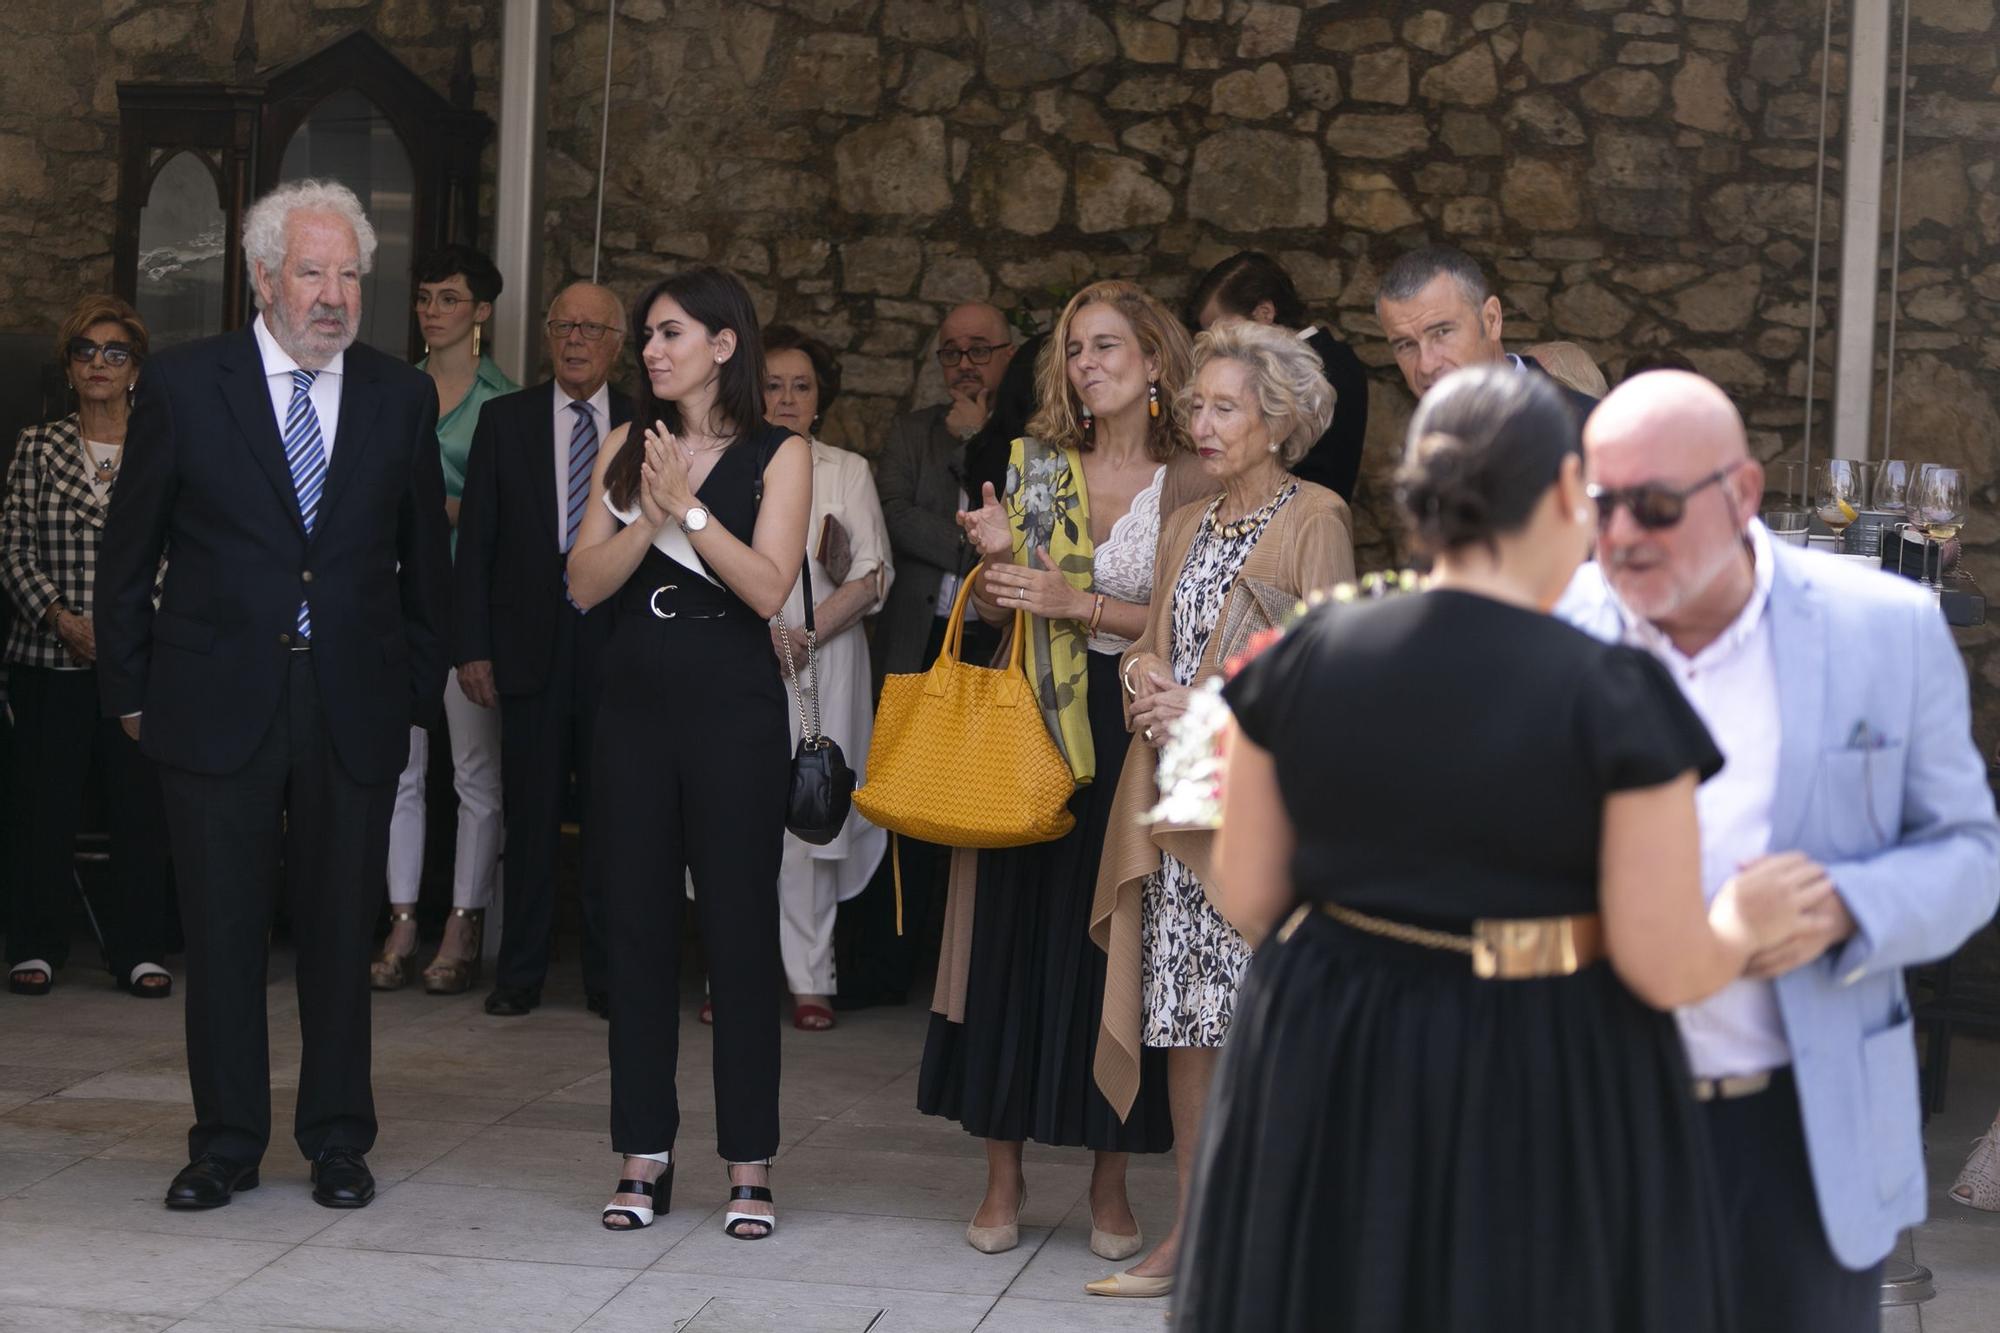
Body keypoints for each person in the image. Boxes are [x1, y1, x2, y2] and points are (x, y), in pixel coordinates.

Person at [1173, 364, 1820, 1330]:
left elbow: (1254, 894)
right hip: (1537, 1056)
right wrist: (1746, 918)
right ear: (1568, 494)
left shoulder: (1307, 654)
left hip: (1327, 1046)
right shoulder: (1614, 695)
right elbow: (1665, 960)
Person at [1559, 370, 2000, 1333]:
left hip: (1808, 1123)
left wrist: (1845, 906)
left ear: (1743, 494)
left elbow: (1969, 854)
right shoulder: (1558, 629)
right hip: (1597, 1112)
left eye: (1659, 504)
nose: (1624, 532)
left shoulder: (1886, 628)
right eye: (1602, 503)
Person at [95, 179, 451, 1211]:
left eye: (348, 274)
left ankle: (338, 1138)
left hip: (351, 703)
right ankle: (226, 1143)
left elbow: (424, 562)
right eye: (311, 272)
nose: (334, 294)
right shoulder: (185, 385)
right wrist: (129, 692)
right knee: (221, 929)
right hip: (211, 701)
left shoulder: (398, 395)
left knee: (343, 932)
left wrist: (412, 687)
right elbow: (130, 558)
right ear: (262, 277)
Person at [919, 279, 1216, 1262]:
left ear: (1155, 361)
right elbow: (1008, 615)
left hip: (1132, 729)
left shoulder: (1195, 476)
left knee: (1112, 953)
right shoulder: (1037, 469)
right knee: (1009, 939)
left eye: (1105, 347)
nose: (1086, 364)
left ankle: (1108, 1184)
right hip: (1036, 725)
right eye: (1073, 350)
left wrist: (1073, 601)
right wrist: (1002, 570)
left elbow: (1198, 621)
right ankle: (999, 1180)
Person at [1084, 318, 1355, 1299]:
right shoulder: (1183, 524)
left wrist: (1200, 704)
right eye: (1194, 403)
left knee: (1262, 1034)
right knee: (1187, 1034)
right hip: (1178, 808)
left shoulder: (1312, 516)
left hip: (1259, 819)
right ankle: (1189, 1241)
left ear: (1277, 418)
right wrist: (1146, 684)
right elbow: (1142, 650)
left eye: (1223, 407)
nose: (1199, 421)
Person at [567, 266, 810, 1239]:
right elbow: (583, 580)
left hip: (731, 706)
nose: (652, 349)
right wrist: (651, 514)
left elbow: (767, 588)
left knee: (741, 933)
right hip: (631, 702)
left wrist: (693, 511)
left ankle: (748, 1162)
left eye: (670, 333)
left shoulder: (779, 453)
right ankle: (643, 1153)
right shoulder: (626, 444)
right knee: (633, 930)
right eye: (649, 335)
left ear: (722, 344)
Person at [453, 282, 629, 1018]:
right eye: (564, 325)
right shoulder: (506, 420)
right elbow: (477, 547)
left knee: (615, 817)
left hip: (619, 646)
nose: (576, 339)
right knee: (528, 814)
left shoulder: (647, 426)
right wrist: (472, 647)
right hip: (526, 642)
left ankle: (608, 977)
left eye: (592, 327)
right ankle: (518, 973)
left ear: (619, 341)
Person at [841, 302, 1014, 1013]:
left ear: (1007, 355)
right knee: (904, 807)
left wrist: (978, 446)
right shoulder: (912, 431)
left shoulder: (1023, 434)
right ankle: (889, 966)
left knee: (980, 809)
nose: (964, 363)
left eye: (979, 349)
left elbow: (1017, 516)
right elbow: (891, 512)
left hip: (994, 642)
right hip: (918, 642)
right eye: (951, 351)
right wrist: (969, 537)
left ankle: (971, 974)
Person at [1, 294, 171, 998]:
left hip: (138, 666)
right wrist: (61, 616)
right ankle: (37, 946)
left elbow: (181, 550)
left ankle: (137, 949)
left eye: (115, 352)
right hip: (50, 658)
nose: (98, 363)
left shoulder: (163, 447)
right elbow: (11, 549)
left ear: (135, 368)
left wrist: (127, 629)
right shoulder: (37, 446)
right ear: (68, 368)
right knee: (44, 808)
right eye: (84, 351)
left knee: (139, 809)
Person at [372, 244, 518, 995]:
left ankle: (464, 919)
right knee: (401, 765)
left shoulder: (503, 398)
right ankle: (401, 919)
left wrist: (448, 511)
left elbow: (507, 513)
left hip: (465, 599)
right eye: (425, 296)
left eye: (450, 297)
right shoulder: (393, 388)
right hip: (394, 596)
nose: (433, 310)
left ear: (482, 310)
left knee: (473, 769)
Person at [760, 323, 893, 1031]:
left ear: (820, 399)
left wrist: (807, 637)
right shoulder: (728, 461)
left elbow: (872, 574)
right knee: (738, 813)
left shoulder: (846, 469)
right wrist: (762, 636)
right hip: (741, 660)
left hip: (824, 660)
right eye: (772, 384)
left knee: (811, 812)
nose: (785, 398)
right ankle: (736, 970)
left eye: (800, 386)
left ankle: (812, 976)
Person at [1188, 250, 1371, 504]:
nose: (1218, 343)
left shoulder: (1322, 367)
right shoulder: (1332, 357)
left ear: (1264, 313)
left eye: (1224, 329)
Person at [1374, 244, 1600, 415]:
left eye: (1442, 332)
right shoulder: (1420, 454)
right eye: (1406, 345)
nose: (1426, 365)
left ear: (1492, 320)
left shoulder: (1589, 435)